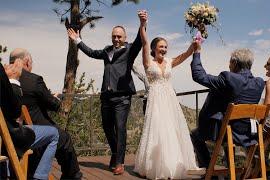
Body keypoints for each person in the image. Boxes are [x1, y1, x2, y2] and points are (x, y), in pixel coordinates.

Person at [67, 12, 145, 175]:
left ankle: (119, 162)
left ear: (124, 37)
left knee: (120, 128)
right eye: (114, 36)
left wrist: (142, 23)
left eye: (119, 37)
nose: (116, 39)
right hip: (106, 97)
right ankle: (116, 152)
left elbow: (139, 41)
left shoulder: (130, 50)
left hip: (122, 97)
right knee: (107, 127)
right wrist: (77, 40)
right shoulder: (106, 51)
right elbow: (91, 52)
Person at [133, 10, 200, 179]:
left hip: (170, 99)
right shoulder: (148, 62)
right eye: (161, 46)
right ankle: (156, 167)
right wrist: (143, 25)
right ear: (154, 49)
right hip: (156, 99)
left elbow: (186, 54)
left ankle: (175, 164)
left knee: (172, 129)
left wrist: (198, 36)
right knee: (157, 130)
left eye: (165, 47)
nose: (164, 49)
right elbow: (144, 41)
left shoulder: (170, 61)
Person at [9, 48, 81, 179]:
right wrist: (56, 99)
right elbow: (53, 104)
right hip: (33, 127)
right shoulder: (34, 80)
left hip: (11, 129)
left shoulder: (4, 78)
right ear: (26, 62)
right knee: (64, 138)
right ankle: (72, 175)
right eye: (31, 62)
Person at [190, 42, 265, 168]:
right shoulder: (259, 83)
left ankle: (209, 171)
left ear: (235, 63)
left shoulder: (228, 78)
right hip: (248, 133)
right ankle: (229, 168)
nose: (229, 65)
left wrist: (196, 53)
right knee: (226, 124)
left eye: (230, 62)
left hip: (226, 132)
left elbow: (199, 76)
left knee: (195, 135)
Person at [0, 59, 59, 180]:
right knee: (54, 134)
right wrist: (13, 79)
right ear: (27, 63)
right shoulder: (34, 80)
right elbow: (15, 111)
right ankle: (40, 177)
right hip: (7, 140)